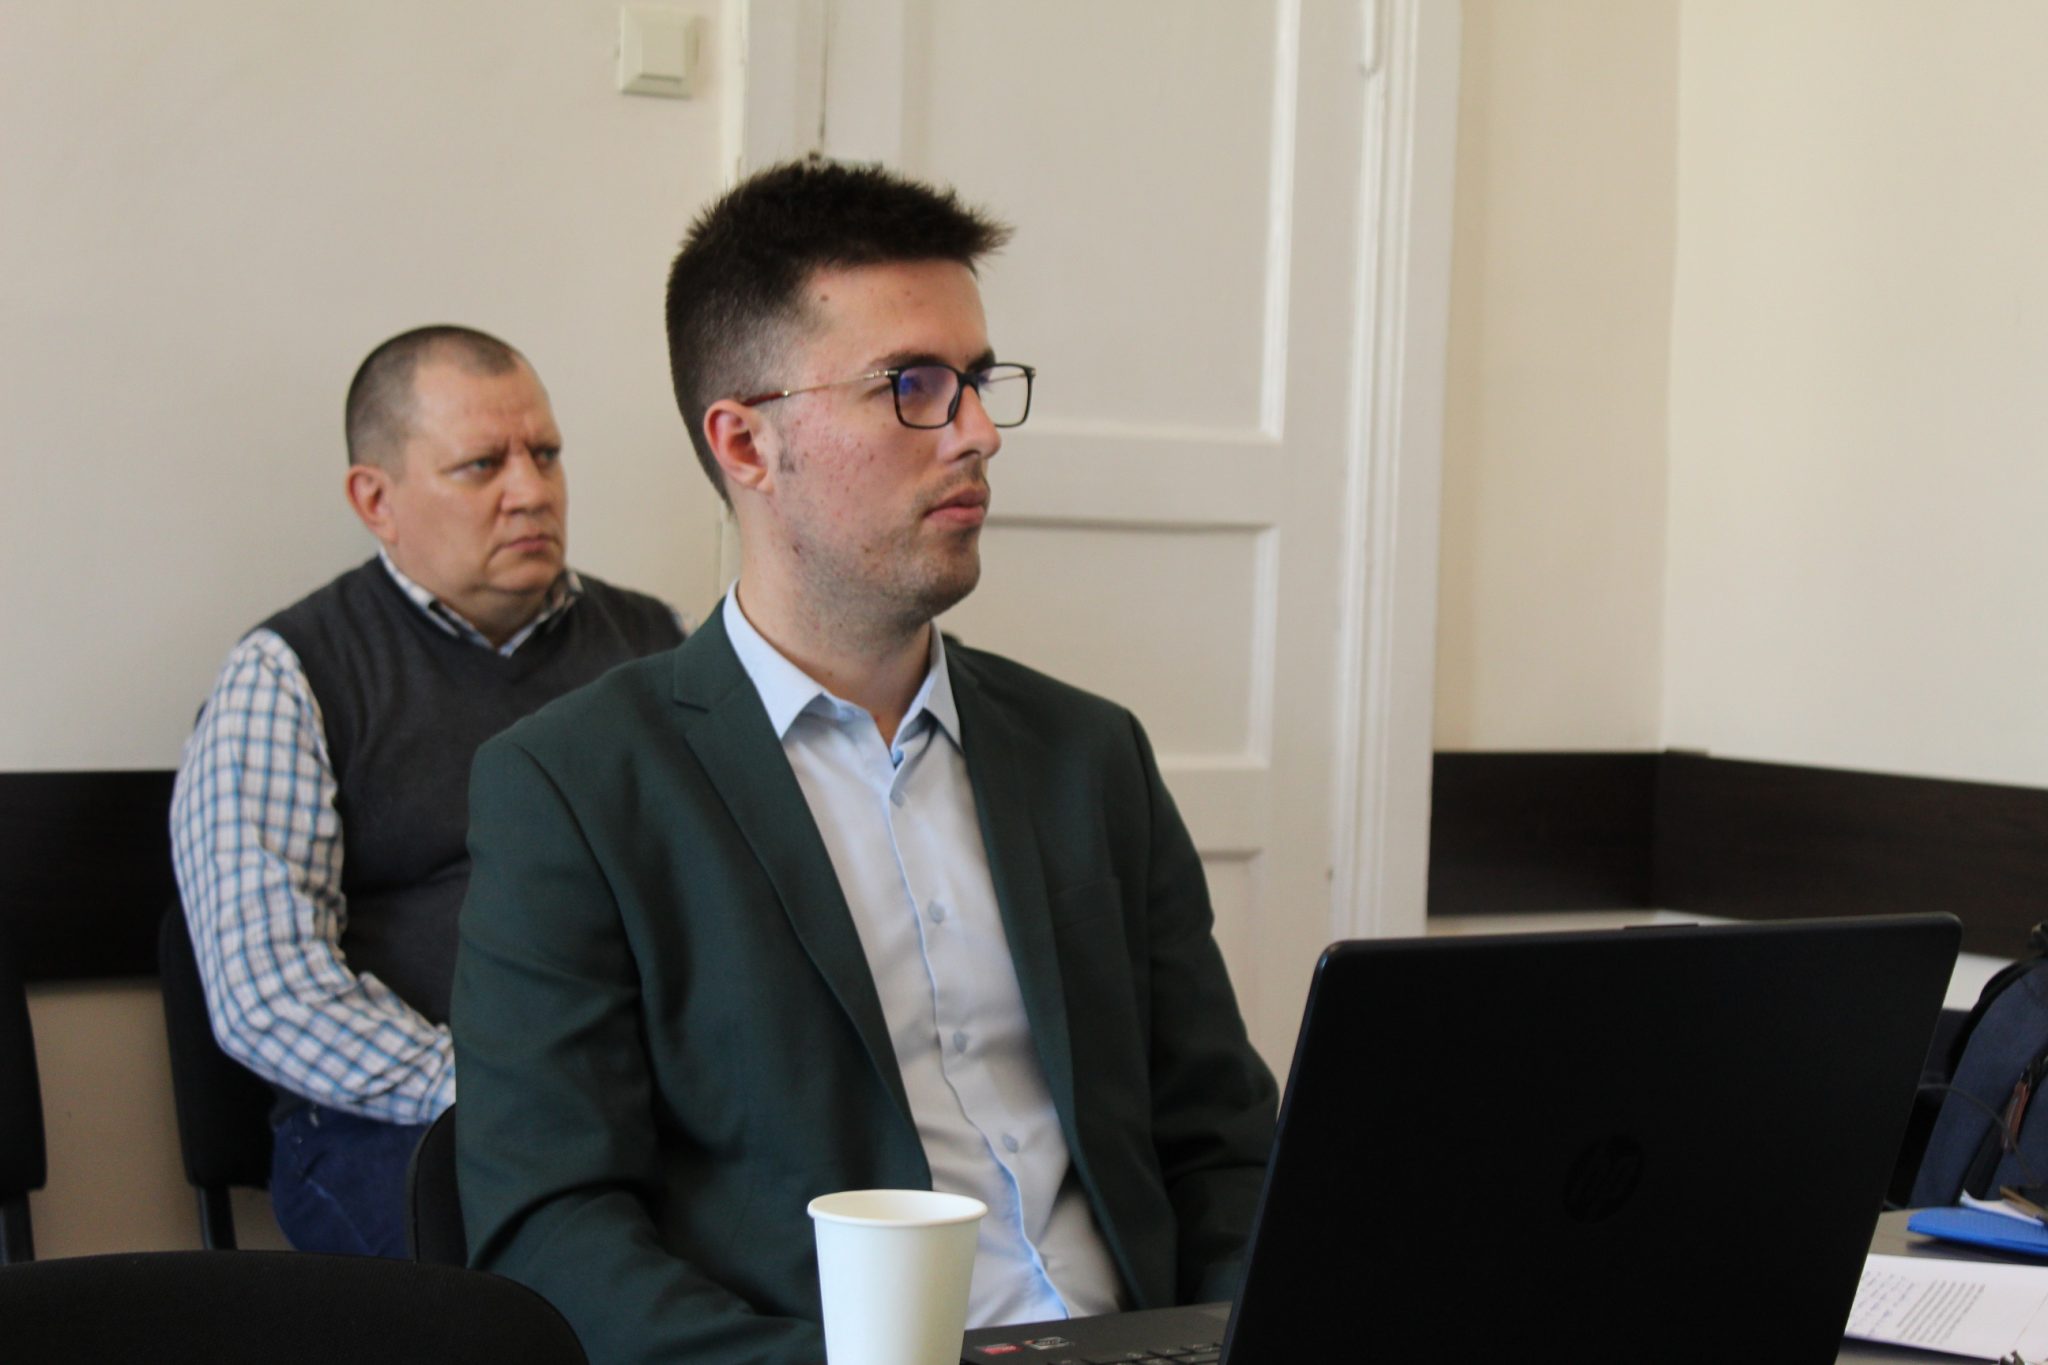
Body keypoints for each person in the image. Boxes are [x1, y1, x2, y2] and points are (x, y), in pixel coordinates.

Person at [452, 162, 1278, 1365]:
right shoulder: (575, 788)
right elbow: (551, 1229)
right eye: (913, 386)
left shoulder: (1088, 755)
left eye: (977, 383)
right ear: (746, 441)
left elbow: (1224, 1150)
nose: (978, 432)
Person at [169, 326, 685, 1257]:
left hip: (653, 1102)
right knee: (568, 1279)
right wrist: (505, 1088)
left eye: (546, 454)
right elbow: (269, 992)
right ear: (377, 500)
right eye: (482, 465)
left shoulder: (654, 646)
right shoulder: (289, 675)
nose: (531, 491)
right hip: (408, 1126)